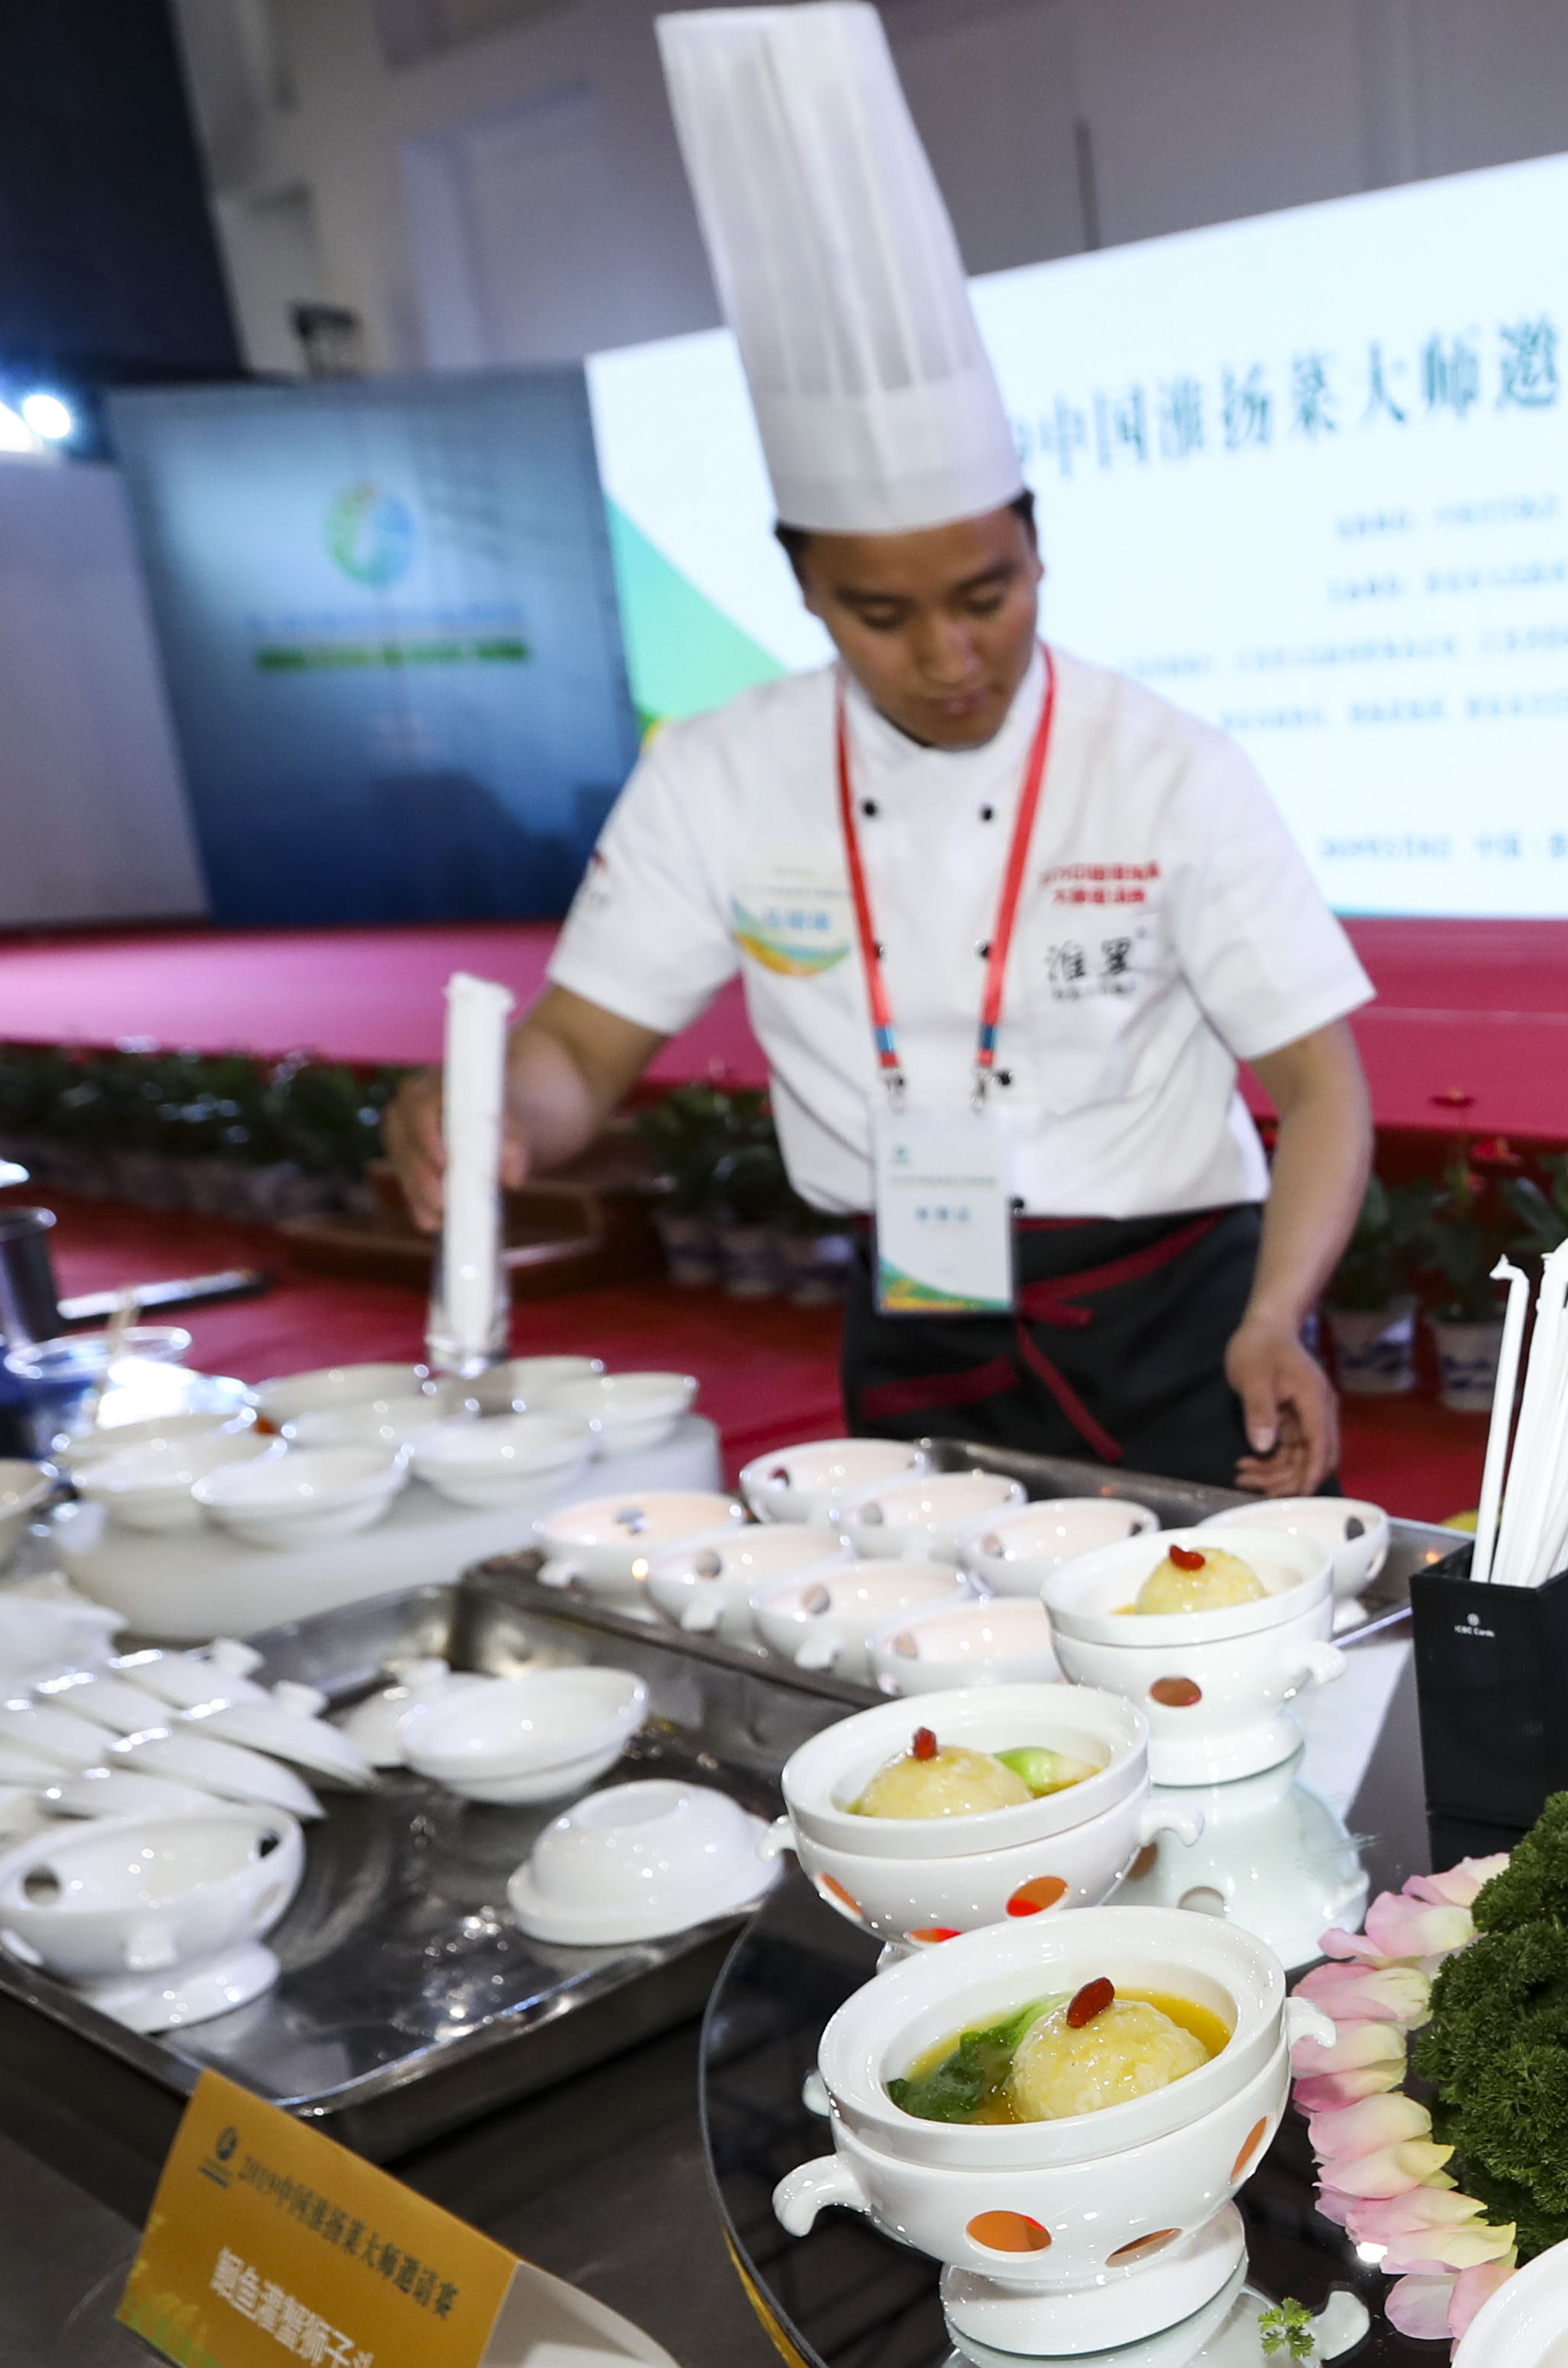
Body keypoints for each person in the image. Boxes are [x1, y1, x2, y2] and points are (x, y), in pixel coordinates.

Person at [395, 2, 1368, 1496]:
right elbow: (582, 1053)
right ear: (804, 589)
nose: (951, 654)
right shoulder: (721, 774)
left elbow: (1321, 1086)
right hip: (918, 1312)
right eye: (884, 614)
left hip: (1182, 1320)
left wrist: (1276, 1318)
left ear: (1037, 546)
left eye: (987, 596)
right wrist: (489, 1117)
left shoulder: (1167, 767)